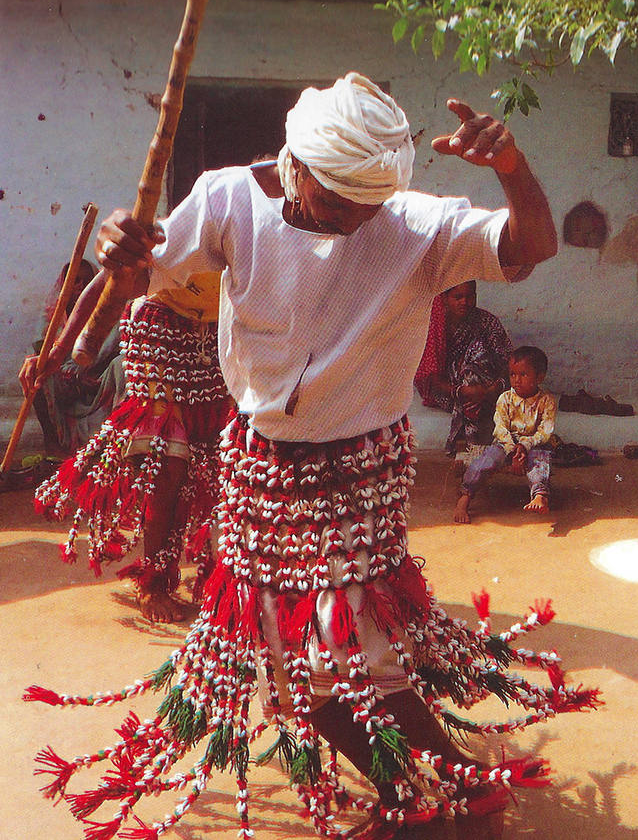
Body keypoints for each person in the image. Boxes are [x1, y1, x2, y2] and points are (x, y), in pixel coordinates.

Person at [27, 73, 597, 840]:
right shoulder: (229, 197)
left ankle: (429, 795)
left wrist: (511, 169)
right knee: (330, 659)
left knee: (317, 665)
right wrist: (120, 252)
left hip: (358, 466)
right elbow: (145, 276)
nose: (352, 222)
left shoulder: (414, 223)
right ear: (295, 164)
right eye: (336, 204)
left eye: (367, 207)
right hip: (258, 462)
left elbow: (530, 245)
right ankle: (452, 786)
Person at [21, 266, 228, 623]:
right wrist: (59, 349)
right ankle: (153, 580)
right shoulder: (183, 224)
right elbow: (109, 277)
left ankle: (218, 575)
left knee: (219, 464)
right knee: (165, 464)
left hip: (217, 343)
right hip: (159, 338)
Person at [24, 259, 120, 459]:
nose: (81, 286)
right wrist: (73, 378)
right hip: (67, 389)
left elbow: (113, 351)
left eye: (87, 281)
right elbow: (46, 356)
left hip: (100, 385)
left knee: (122, 365)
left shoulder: (110, 314)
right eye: (75, 280)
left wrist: (88, 376)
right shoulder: (53, 319)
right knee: (35, 368)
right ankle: (53, 446)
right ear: (63, 286)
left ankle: (118, 443)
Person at [454, 346, 556, 523]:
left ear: (539, 378)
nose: (516, 380)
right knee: (486, 461)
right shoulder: (505, 399)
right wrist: (512, 450)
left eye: (523, 374)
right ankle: (465, 497)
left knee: (541, 460)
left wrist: (526, 445)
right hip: (505, 443)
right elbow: (500, 428)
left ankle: (540, 496)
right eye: (512, 374)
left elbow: (545, 431)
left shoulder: (547, 401)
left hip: (534, 445)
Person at [414, 280, 513, 454]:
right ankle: (475, 442)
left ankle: (465, 442)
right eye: (457, 297)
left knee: (477, 352)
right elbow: (433, 380)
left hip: (487, 392)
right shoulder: (435, 325)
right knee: (473, 358)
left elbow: (508, 365)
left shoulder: (486, 322)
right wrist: (464, 391)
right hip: (449, 394)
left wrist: (492, 390)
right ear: (444, 298)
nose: (464, 302)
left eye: (469, 296)